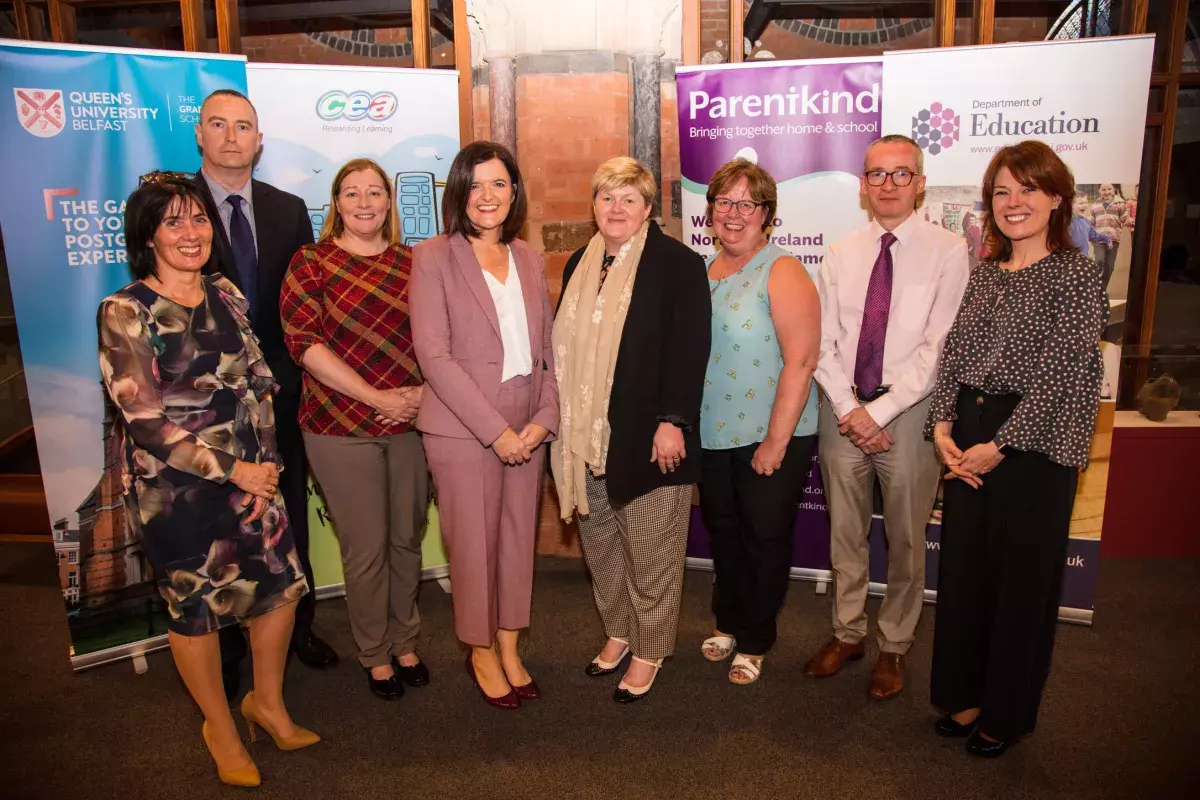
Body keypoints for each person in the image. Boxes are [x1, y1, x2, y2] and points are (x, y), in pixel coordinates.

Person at [98, 174, 319, 788]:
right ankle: (219, 726)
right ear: (147, 235)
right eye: (172, 222)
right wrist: (234, 469)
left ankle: (266, 704)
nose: (190, 233)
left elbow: (259, 382)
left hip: (256, 479)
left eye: (197, 219)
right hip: (178, 493)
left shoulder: (225, 292)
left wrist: (266, 465)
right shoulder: (125, 311)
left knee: (280, 592)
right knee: (197, 611)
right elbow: (143, 422)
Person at [926, 140, 1108, 757]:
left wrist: (999, 445)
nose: (1013, 203)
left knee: (1021, 587)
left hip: (1032, 445)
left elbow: (1063, 372)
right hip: (972, 432)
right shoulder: (983, 273)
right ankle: (965, 694)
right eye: (1001, 191)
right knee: (966, 577)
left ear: (1056, 198)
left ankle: (1004, 712)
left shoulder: (1078, 274)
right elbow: (953, 355)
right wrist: (944, 429)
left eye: (1027, 189)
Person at [809, 134, 969, 700]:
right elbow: (821, 342)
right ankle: (847, 632)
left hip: (909, 412)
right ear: (863, 185)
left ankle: (894, 646)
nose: (889, 184)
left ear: (920, 182)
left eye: (902, 174)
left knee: (905, 540)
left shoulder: (949, 251)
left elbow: (937, 348)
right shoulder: (841, 251)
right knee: (845, 534)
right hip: (842, 408)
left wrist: (877, 413)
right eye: (878, 174)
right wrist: (851, 411)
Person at [192, 89, 338, 700]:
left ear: (259, 141)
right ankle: (226, 648)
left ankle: (299, 625)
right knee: (219, 523)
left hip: (284, 387)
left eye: (243, 126)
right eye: (218, 125)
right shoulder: (176, 205)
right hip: (205, 396)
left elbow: (302, 301)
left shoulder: (288, 208)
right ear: (200, 135)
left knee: (290, 514)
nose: (231, 136)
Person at [552, 156, 711, 703]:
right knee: (603, 551)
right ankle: (619, 631)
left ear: (647, 208)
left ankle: (650, 649)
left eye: (628, 198)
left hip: (651, 440)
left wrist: (674, 422)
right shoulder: (580, 263)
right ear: (593, 205)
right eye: (606, 197)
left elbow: (690, 353)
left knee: (651, 555)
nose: (615, 208)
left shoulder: (678, 264)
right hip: (587, 442)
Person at [410, 142, 558, 710]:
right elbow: (434, 355)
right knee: (474, 546)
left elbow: (545, 347)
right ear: (458, 194)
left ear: (514, 192)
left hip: (528, 421)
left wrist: (545, 418)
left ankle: (510, 643)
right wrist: (495, 430)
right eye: (475, 186)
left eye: (499, 184)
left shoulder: (526, 256)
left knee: (519, 543)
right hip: (463, 427)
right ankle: (479, 650)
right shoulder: (433, 257)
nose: (488, 197)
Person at [280, 159, 430, 701]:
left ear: (389, 202)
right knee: (366, 548)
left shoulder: (416, 262)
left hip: (410, 424)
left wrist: (418, 398)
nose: (364, 202)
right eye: (352, 193)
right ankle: (374, 652)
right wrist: (376, 397)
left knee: (406, 540)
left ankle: (406, 639)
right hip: (338, 425)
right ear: (336, 204)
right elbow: (303, 343)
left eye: (374, 192)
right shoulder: (311, 263)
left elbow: (443, 340)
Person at [697, 159, 821, 685]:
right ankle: (728, 620)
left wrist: (776, 440)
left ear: (766, 214)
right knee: (722, 531)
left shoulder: (783, 269)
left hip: (772, 433)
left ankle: (757, 638)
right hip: (711, 431)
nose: (733, 213)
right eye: (724, 202)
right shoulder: (704, 270)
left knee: (764, 536)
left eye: (747, 203)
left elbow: (802, 360)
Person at [1088, 182, 1129, 290]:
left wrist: (1130, 221)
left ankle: (1102, 289)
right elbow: (1092, 219)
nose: (1106, 192)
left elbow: (1125, 217)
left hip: (1114, 238)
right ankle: (1093, 283)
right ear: (1099, 191)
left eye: (1109, 189)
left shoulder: (1120, 203)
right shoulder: (1095, 205)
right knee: (1099, 260)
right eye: (1103, 190)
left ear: (1114, 190)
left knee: (1109, 266)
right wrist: (1085, 223)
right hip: (1098, 239)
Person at [1068, 194, 1111, 264]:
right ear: (1071, 205)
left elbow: (1094, 236)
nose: (1085, 205)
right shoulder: (1066, 221)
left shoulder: (1085, 221)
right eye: (1081, 203)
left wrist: (1106, 238)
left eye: (1086, 202)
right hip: (1069, 260)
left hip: (1083, 259)